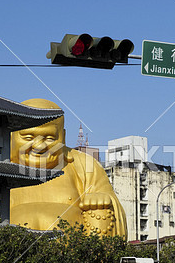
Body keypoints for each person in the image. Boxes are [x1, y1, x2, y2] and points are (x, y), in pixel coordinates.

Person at [10, 98, 127, 238]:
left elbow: (115, 207)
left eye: (49, 138)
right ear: (11, 135)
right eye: (28, 137)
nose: (39, 146)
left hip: (75, 252)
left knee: (101, 211)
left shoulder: (84, 164)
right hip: (9, 251)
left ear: (63, 137)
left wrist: (100, 199)